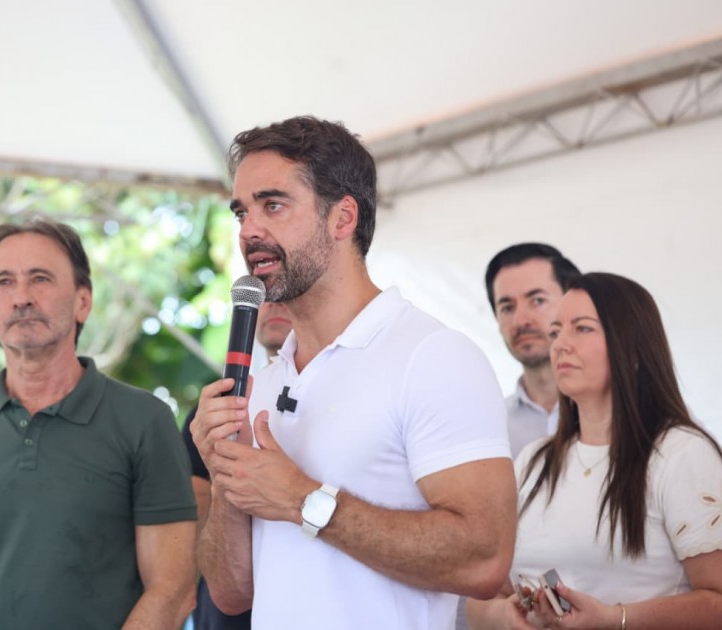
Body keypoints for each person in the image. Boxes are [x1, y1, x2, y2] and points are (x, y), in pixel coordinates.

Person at [190, 115, 517, 630]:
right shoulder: (262, 383)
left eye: (272, 205)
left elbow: (485, 561)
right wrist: (223, 473)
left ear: (342, 218)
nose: (249, 230)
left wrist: (301, 499)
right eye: (241, 212)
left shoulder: (433, 357)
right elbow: (231, 594)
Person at [0, 218, 198, 629]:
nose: (21, 298)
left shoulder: (145, 421)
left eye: (40, 279)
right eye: (4, 283)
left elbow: (173, 588)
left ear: (83, 302)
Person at [466, 272, 722, 629]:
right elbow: (484, 594)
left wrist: (615, 618)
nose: (560, 345)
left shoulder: (683, 455)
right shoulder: (533, 461)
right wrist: (504, 615)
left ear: (634, 348)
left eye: (582, 328)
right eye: (556, 332)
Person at [181, 301, 293, 630]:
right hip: (224, 610)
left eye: (284, 292)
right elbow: (193, 525)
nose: (273, 305)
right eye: (263, 295)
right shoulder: (210, 413)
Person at [484, 243, 581, 458]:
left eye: (537, 301)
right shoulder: (489, 429)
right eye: (507, 308)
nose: (521, 321)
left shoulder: (623, 415)